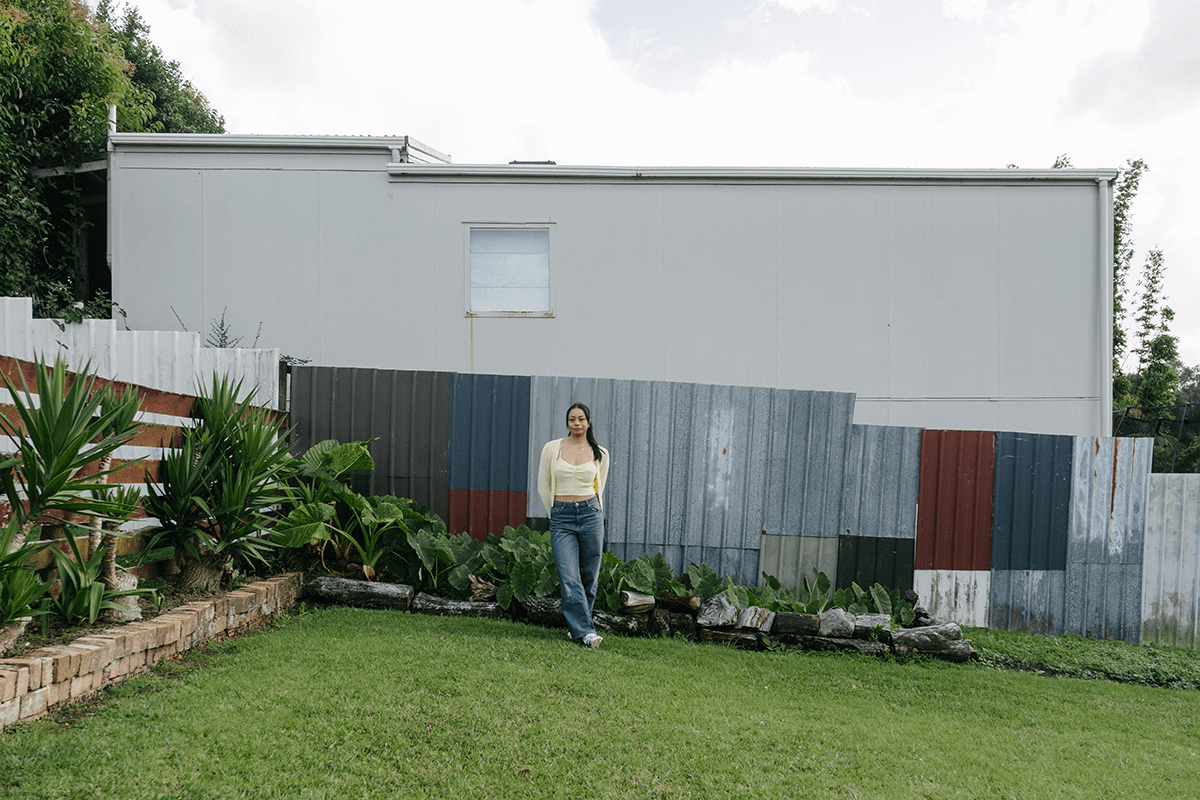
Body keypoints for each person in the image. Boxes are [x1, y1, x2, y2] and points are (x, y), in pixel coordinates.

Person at [537, 401, 610, 648]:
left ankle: (578, 628)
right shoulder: (552, 449)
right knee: (569, 575)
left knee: (590, 574)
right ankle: (587, 632)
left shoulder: (600, 453)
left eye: (581, 419)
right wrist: (555, 514)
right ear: (567, 423)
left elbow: (601, 487)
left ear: (589, 422)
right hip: (562, 518)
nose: (577, 423)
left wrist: (597, 513)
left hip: (591, 514)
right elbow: (542, 485)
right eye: (572, 419)